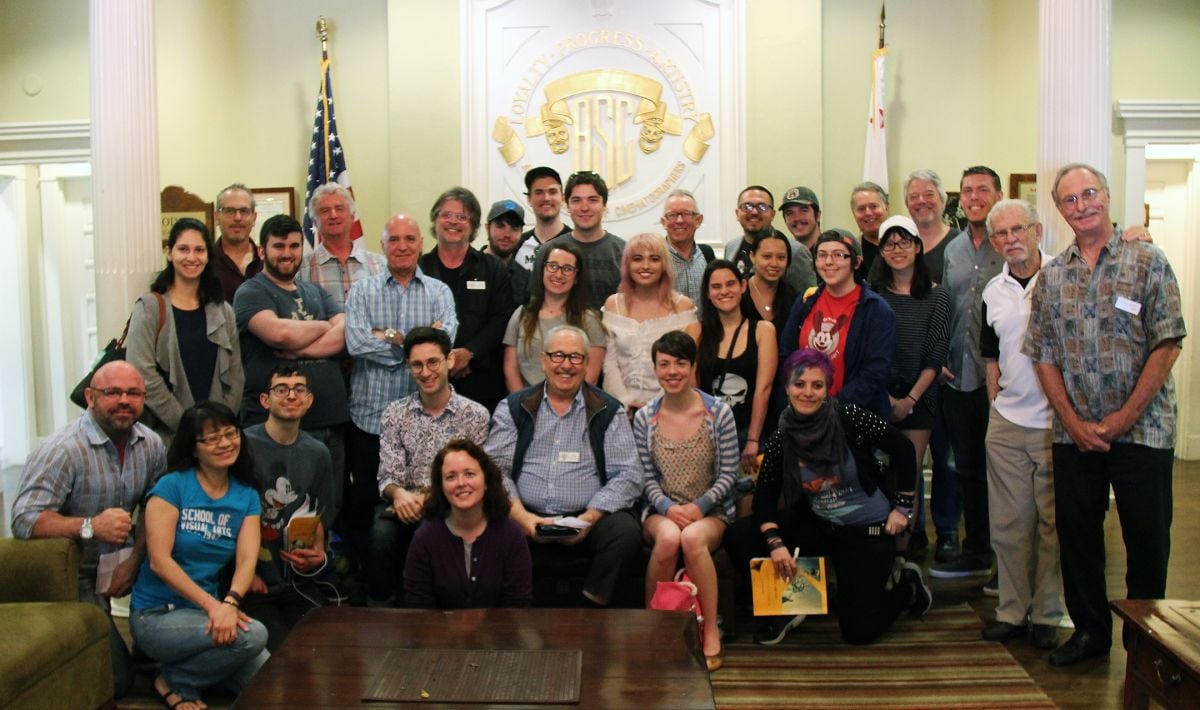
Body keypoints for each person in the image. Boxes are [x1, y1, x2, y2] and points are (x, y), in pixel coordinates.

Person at [1025, 163, 1185, 667]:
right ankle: (1091, 634)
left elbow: (1167, 342)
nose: (1082, 205)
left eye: (1089, 193)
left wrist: (1122, 419)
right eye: (1070, 200)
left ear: (1107, 196)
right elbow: (1044, 354)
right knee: (1077, 538)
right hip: (1073, 436)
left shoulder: (1147, 260)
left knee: (1146, 541)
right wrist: (1072, 423)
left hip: (1144, 430)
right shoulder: (1052, 275)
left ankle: (1147, 643)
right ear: (1059, 210)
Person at [751, 349, 930, 646]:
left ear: (828, 389)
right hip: (820, 526)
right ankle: (797, 603)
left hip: (868, 531)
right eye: (799, 384)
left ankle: (906, 587)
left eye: (817, 385)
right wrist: (776, 544)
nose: (807, 392)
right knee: (741, 535)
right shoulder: (782, 436)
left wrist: (903, 507)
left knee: (858, 633)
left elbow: (903, 448)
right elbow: (764, 501)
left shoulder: (847, 416)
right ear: (786, 388)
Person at [10, 361, 165, 699]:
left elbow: (155, 509)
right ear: (90, 397)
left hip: (124, 567)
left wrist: (134, 561)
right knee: (116, 681)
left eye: (133, 393)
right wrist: (89, 526)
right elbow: (24, 519)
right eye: (113, 393)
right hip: (72, 580)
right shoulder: (62, 449)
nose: (124, 400)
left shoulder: (151, 444)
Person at [484, 325, 644, 607]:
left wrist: (590, 517)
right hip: (527, 515)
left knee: (625, 532)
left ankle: (590, 608)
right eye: (558, 356)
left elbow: (628, 474)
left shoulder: (608, 409)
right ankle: (514, 613)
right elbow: (495, 471)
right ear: (544, 361)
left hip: (589, 517)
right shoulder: (513, 407)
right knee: (490, 523)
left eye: (575, 357)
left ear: (586, 363)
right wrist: (522, 517)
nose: (566, 365)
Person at [342, 214, 459, 588]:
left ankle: (420, 588)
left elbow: (445, 342)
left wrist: (389, 336)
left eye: (410, 238)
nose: (403, 246)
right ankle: (374, 590)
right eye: (394, 239)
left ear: (421, 244)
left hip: (427, 417)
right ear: (383, 246)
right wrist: (414, 344)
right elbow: (356, 342)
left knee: (425, 506)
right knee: (369, 510)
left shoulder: (439, 291)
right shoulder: (363, 290)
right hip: (370, 419)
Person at [129, 401, 269, 710]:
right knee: (253, 635)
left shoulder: (245, 494)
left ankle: (197, 672)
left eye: (231, 434)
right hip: (157, 615)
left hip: (211, 614)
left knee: (268, 678)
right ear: (194, 448)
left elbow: (247, 559)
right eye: (212, 438)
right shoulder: (171, 487)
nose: (225, 443)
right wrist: (214, 607)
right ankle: (176, 680)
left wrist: (229, 603)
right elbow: (159, 561)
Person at [978, 199, 1063, 651]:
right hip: (1008, 421)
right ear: (993, 242)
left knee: (1053, 524)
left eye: (1018, 229)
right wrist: (995, 395)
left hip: (1058, 422)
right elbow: (990, 352)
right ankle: (1011, 612)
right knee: (1009, 524)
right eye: (1001, 234)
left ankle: (1048, 613)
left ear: (1037, 230)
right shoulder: (993, 289)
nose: (1010, 239)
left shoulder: (1066, 276)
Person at [634, 332, 740, 670]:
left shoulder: (718, 413)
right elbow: (646, 478)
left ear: (693, 367)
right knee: (668, 538)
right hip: (661, 509)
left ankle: (710, 629)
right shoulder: (644, 418)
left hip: (711, 510)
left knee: (692, 538)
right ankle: (655, 627)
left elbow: (729, 475)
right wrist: (668, 508)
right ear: (655, 369)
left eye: (681, 363)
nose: (672, 371)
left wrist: (699, 507)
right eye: (664, 364)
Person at [234, 214, 348, 516]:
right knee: (274, 510)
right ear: (262, 251)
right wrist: (324, 325)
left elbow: (346, 332)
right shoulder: (251, 292)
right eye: (279, 246)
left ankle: (321, 563)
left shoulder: (314, 291)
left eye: (295, 246)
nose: (287, 253)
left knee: (326, 511)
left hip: (329, 422)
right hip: (274, 428)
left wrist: (298, 351)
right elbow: (279, 333)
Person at [370, 327, 490, 606]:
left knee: (433, 526)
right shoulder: (394, 413)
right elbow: (388, 474)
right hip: (404, 501)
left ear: (449, 361)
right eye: (417, 365)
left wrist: (430, 497)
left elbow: (477, 476)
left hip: (454, 501)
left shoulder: (475, 414)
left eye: (433, 362)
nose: (425, 372)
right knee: (380, 534)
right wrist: (399, 495)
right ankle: (379, 610)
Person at [931, 166, 1006, 582]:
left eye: (982, 189)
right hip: (959, 375)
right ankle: (977, 550)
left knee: (1005, 472)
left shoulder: (1011, 243)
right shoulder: (954, 249)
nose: (974, 196)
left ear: (996, 194)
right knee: (970, 468)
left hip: (1005, 380)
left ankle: (1008, 562)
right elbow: (946, 305)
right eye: (967, 190)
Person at [870, 215, 951, 556]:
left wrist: (909, 400)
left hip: (920, 398)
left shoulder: (938, 296)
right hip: (877, 396)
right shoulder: (871, 295)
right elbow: (868, 350)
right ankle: (878, 553)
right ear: (882, 252)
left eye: (905, 242)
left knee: (909, 476)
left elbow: (935, 356)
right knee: (875, 475)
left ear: (918, 247)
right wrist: (886, 397)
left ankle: (902, 555)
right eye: (890, 243)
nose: (897, 249)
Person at [242, 364, 335, 652]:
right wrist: (244, 574)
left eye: (299, 390)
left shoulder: (318, 452)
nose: (291, 396)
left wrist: (317, 555)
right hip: (251, 581)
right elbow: (228, 511)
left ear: (309, 401)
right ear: (264, 400)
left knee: (323, 651)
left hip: (296, 580)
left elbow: (320, 512)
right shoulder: (243, 445)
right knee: (281, 654)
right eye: (281, 389)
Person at [127, 217, 243, 446]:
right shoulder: (149, 308)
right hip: (167, 439)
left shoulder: (223, 310)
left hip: (217, 440)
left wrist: (217, 427)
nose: (192, 257)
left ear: (208, 256)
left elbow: (236, 375)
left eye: (199, 250)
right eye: (183, 249)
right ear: (169, 253)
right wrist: (187, 425)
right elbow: (143, 373)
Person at [903, 169, 962, 564]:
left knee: (946, 457)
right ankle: (912, 529)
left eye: (929, 194)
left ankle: (947, 530)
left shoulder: (959, 246)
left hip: (952, 374)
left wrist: (940, 360)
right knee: (907, 458)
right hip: (910, 374)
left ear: (943, 200)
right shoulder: (900, 243)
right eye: (913, 195)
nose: (921, 200)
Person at [403, 439, 533, 609]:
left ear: (486, 481)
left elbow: (518, 605)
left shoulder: (511, 535)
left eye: (469, 474)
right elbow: (417, 608)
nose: (461, 483)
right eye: (451, 477)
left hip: (499, 634)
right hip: (438, 634)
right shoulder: (425, 538)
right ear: (441, 487)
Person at [779, 229, 894, 418]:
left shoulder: (876, 309)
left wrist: (831, 406)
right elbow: (787, 355)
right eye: (822, 255)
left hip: (851, 418)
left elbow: (875, 372)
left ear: (856, 262)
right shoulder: (806, 300)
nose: (829, 262)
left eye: (839, 255)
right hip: (803, 413)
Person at [419, 187, 514, 413]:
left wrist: (468, 354)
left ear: (472, 225)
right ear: (435, 220)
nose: (453, 222)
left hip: (482, 383)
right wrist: (444, 359)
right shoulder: (419, 268)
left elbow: (501, 319)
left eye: (462, 217)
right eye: (446, 215)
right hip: (429, 382)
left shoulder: (493, 269)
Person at [687, 259, 777, 468]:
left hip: (748, 432)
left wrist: (753, 439)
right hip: (708, 433)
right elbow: (693, 389)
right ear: (707, 293)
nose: (724, 291)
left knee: (748, 498)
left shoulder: (763, 330)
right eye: (716, 287)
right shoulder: (696, 332)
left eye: (730, 284)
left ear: (743, 286)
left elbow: (764, 389)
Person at [602, 233, 698, 413]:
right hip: (620, 409)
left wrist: (653, 407)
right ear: (627, 265)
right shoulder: (613, 304)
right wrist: (625, 402)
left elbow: (686, 366)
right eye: (637, 259)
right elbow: (610, 363)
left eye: (654, 259)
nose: (645, 266)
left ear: (664, 265)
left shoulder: (683, 307)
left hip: (669, 409)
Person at [503, 241, 605, 391]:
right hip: (526, 406)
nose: (558, 274)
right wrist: (523, 405)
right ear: (542, 269)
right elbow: (510, 368)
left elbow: (592, 375)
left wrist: (567, 408)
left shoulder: (589, 320)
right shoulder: (522, 314)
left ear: (576, 277)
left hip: (574, 408)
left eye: (567, 269)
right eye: (553, 266)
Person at [537, 171, 626, 309]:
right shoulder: (548, 252)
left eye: (593, 200)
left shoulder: (624, 252)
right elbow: (536, 303)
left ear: (604, 205)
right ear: (567, 205)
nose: (584, 208)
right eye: (576, 200)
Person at [298, 183, 386, 310]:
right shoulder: (302, 270)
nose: (333, 215)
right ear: (315, 221)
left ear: (352, 215)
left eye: (339, 208)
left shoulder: (380, 265)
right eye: (325, 210)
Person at [514, 166, 572, 271]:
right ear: (529, 199)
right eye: (539, 192)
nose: (546, 198)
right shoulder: (517, 244)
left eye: (552, 191)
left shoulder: (576, 243)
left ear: (562, 198)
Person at [660, 189, 713, 303]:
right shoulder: (655, 259)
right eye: (672, 215)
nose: (679, 220)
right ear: (663, 222)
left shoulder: (707, 254)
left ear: (698, 220)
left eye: (686, 214)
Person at [212, 183, 263, 302]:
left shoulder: (267, 260)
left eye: (244, 211)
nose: (238, 217)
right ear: (216, 217)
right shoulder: (204, 262)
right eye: (230, 211)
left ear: (254, 218)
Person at [741, 228, 799, 327]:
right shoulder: (739, 292)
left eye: (781, 257)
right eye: (767, 256)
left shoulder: (793, 298)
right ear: (752, 257)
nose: (774, 264)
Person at [482, 199, 532, 307]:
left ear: (521, 233)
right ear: (487, 228)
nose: (507, 234)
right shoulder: (468, 267)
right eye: (500, 226)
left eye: (514, 228)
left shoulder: (526, 280)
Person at [722, 185, 775, 277]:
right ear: (737, 214)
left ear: (772, 214)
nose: (754, 212)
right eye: (747, 206)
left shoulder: (793, 251)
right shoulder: (730, 247)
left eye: (762, 207)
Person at [849, 182, 889, 281]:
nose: (868, 213)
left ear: (887, 208)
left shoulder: (907, 247)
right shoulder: (850, 253)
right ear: (854, 214)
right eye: (861, 209)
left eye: (873, 206)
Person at [780, 185, 822, 252]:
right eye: (790, 213)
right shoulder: (784, 257)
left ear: (818, 215)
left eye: (804, 210)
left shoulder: (832, 255)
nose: (797, 218)